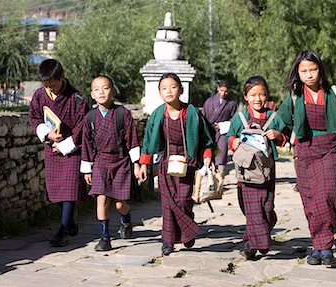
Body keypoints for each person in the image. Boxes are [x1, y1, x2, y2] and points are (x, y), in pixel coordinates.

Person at [278, 49, 336, 266]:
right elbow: (281, 123)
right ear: (298, 73)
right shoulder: (295, 96)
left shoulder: (333, 93)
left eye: (313, 69)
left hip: (330, 149)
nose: (309, 74)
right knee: (310, 201)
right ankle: (320, 246)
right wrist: (275, 135)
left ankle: (324, 245)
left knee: (326, 196)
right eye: (304, 71)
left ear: (320, 70)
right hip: (304, 152)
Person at [138, 73, 214, 256]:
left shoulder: (192, 113)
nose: (169, 91)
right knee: (168, 203)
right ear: (159, 93)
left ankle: (187, 231)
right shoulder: (158, 115)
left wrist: (207, 156)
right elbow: (148, 141)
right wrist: (143, 164)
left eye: (173, 87)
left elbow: (205, 137)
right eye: (164, 88)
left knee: (183, 200)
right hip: (166, 163)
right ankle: (168, 241)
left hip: (188, 163)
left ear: (181, 89)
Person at [28, 59, 89, 247]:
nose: (49, 88)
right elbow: (34, 117)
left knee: (69, 191)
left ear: (61, 77)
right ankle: (70, 223)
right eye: (46, 84)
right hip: (51, 148)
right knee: (54, 192)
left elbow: (83, 126)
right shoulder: (39, 95)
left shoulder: (77, 99)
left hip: (71, 150)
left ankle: (63, 230)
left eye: (52, 84)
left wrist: (65, 144)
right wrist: (48, 135)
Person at [227, 76, 287, 260]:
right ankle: (254, 244)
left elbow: (284, 139)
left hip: (267, 169)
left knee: (266, 206)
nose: (258, 99)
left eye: (262, 94)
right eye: (253, 94)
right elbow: (230, 136)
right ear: (246, 96)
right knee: (252, 208)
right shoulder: (240, 118)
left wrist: (277, 135)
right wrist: (234, 142)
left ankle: (254, 239)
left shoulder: (273, 117)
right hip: (246, 169)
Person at [81, 76, 141, 251]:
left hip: (121, 161)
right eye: (97, 89)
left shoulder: (123, 114)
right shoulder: (90, 117)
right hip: (100, 162)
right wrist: (87, 169)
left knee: (119, 203)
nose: (101, 92)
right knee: (102, 199)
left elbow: (132, 140)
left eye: (106, 88)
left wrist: (136, 164)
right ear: (92, 94)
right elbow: (86, 144)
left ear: (113, 91)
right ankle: (105, 238)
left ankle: (126, 219)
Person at [202, 79, 237, 174]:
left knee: (221, 155)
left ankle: (220, 175)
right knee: (209, 154)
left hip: (222, 133)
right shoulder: (209, 102)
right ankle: (210, 177)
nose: (223, 93)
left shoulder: (231, 104)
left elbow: (233, 120)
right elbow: (204, 117)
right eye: (221, 90)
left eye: (226, 91)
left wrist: (222, 125)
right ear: (218, 89)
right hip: (210, 132)